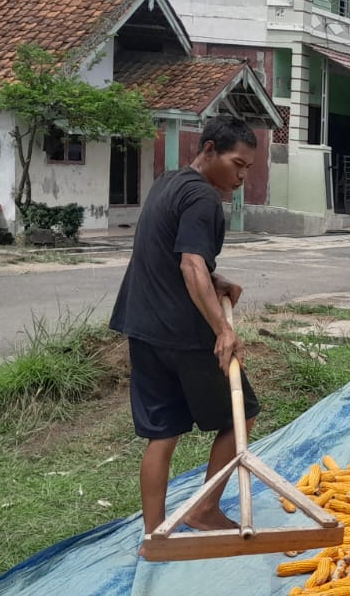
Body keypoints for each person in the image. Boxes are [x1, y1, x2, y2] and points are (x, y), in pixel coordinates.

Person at [109, 115, 261, 537]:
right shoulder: (203, 198)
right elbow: (190, 263)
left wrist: (215, 279)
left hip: (142, 326)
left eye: (248, 168)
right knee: (242, 415)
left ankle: (153, 536)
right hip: (182, 333)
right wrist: (223, 330)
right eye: (237, 164)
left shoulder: (167, 182)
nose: (242, 176)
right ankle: (205, 510)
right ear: (209, 150)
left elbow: (169, 254)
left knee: (163, 433)